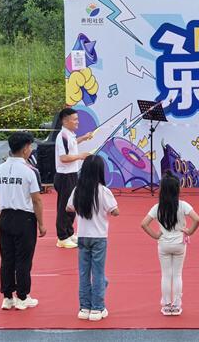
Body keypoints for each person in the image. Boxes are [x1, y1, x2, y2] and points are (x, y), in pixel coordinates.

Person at [0, 132, 46, 311]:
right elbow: (37, 200)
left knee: (7, 259)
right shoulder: (29, 171)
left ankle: (7, 297)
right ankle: (22, 297)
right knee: (23, 259)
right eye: (30, 146)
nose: (31, 149)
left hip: (5, 217)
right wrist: (41, 223)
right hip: (25, 219)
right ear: (25, 149)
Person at [141, 172, 199, 316]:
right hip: (179, 244)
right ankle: (176, 305)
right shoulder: (183, 205)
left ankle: (167, 305)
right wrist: (189, 231)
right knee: (177, 274)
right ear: (177, 189)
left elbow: (144, 224)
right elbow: (197, 219)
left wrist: (155, 235)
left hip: (164, 244)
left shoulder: (157, 207)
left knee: (166, 275)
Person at [66, 155, 119, 321]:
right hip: (99, 237)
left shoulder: (78, 190)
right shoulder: (104, 191)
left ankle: (84, 307)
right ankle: (97, 308)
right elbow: (115, 211)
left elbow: (69, 208)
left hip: (82, 236)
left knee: (84, 273)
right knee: (98, 273)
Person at [55, 108, 93, 249]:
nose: (77, 122)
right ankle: (62, 237)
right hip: (64, 176)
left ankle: (69, 233)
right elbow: (63, 158)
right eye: (75, 119)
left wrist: (84, 137)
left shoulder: (69, 134)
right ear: (65, 121)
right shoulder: (62, 136)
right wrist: (80, 156)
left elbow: (73, 144)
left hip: (72, 174)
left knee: (72, 204)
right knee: (63, 207)